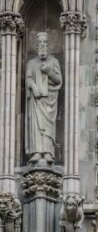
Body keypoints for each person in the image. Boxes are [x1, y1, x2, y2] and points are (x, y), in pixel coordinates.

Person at [25, 31, 62, 164]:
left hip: (49, 100)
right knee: (36, 125)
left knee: (47, 126)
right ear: (36, 45)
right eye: (39, 43)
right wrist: (34, 87)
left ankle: (47, 152)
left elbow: (58, 80)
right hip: (36, 100)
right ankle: (36, 151)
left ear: (48, 45)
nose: (42, 45)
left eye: (45, 43)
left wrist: (49, 71)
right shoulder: (31, 63)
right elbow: (28, 78)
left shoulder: (54, 61)